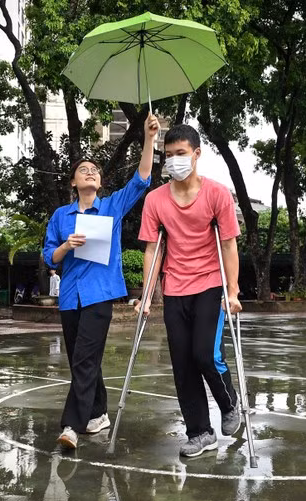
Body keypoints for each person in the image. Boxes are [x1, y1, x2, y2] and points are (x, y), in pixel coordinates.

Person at [42, 112, 158, 450]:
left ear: (100, 182)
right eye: (83, 170)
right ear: (73, 183)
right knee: (83, 357)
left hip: (100, 295)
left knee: (84, 359)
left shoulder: (110, 208)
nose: (90, 172)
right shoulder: (60, 216)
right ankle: (98, 412)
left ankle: (71, 426)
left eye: (95, 170)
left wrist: (150, 138)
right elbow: (50, 256)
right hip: (70, 298)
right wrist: (67, 245)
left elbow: (141, 179)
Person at [136, 123, 243, 458]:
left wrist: (234, 290)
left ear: (196, 154)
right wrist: (147, 295)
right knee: (182, 364)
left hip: (210, 285)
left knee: (204, 354)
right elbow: (153, 250)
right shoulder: (155, 200)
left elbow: (228, 244)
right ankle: (199, 432)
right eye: (168, 156)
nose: (174, 161)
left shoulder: (217, 194)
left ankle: (229, 402)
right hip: (175, 288)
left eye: (180, 154)